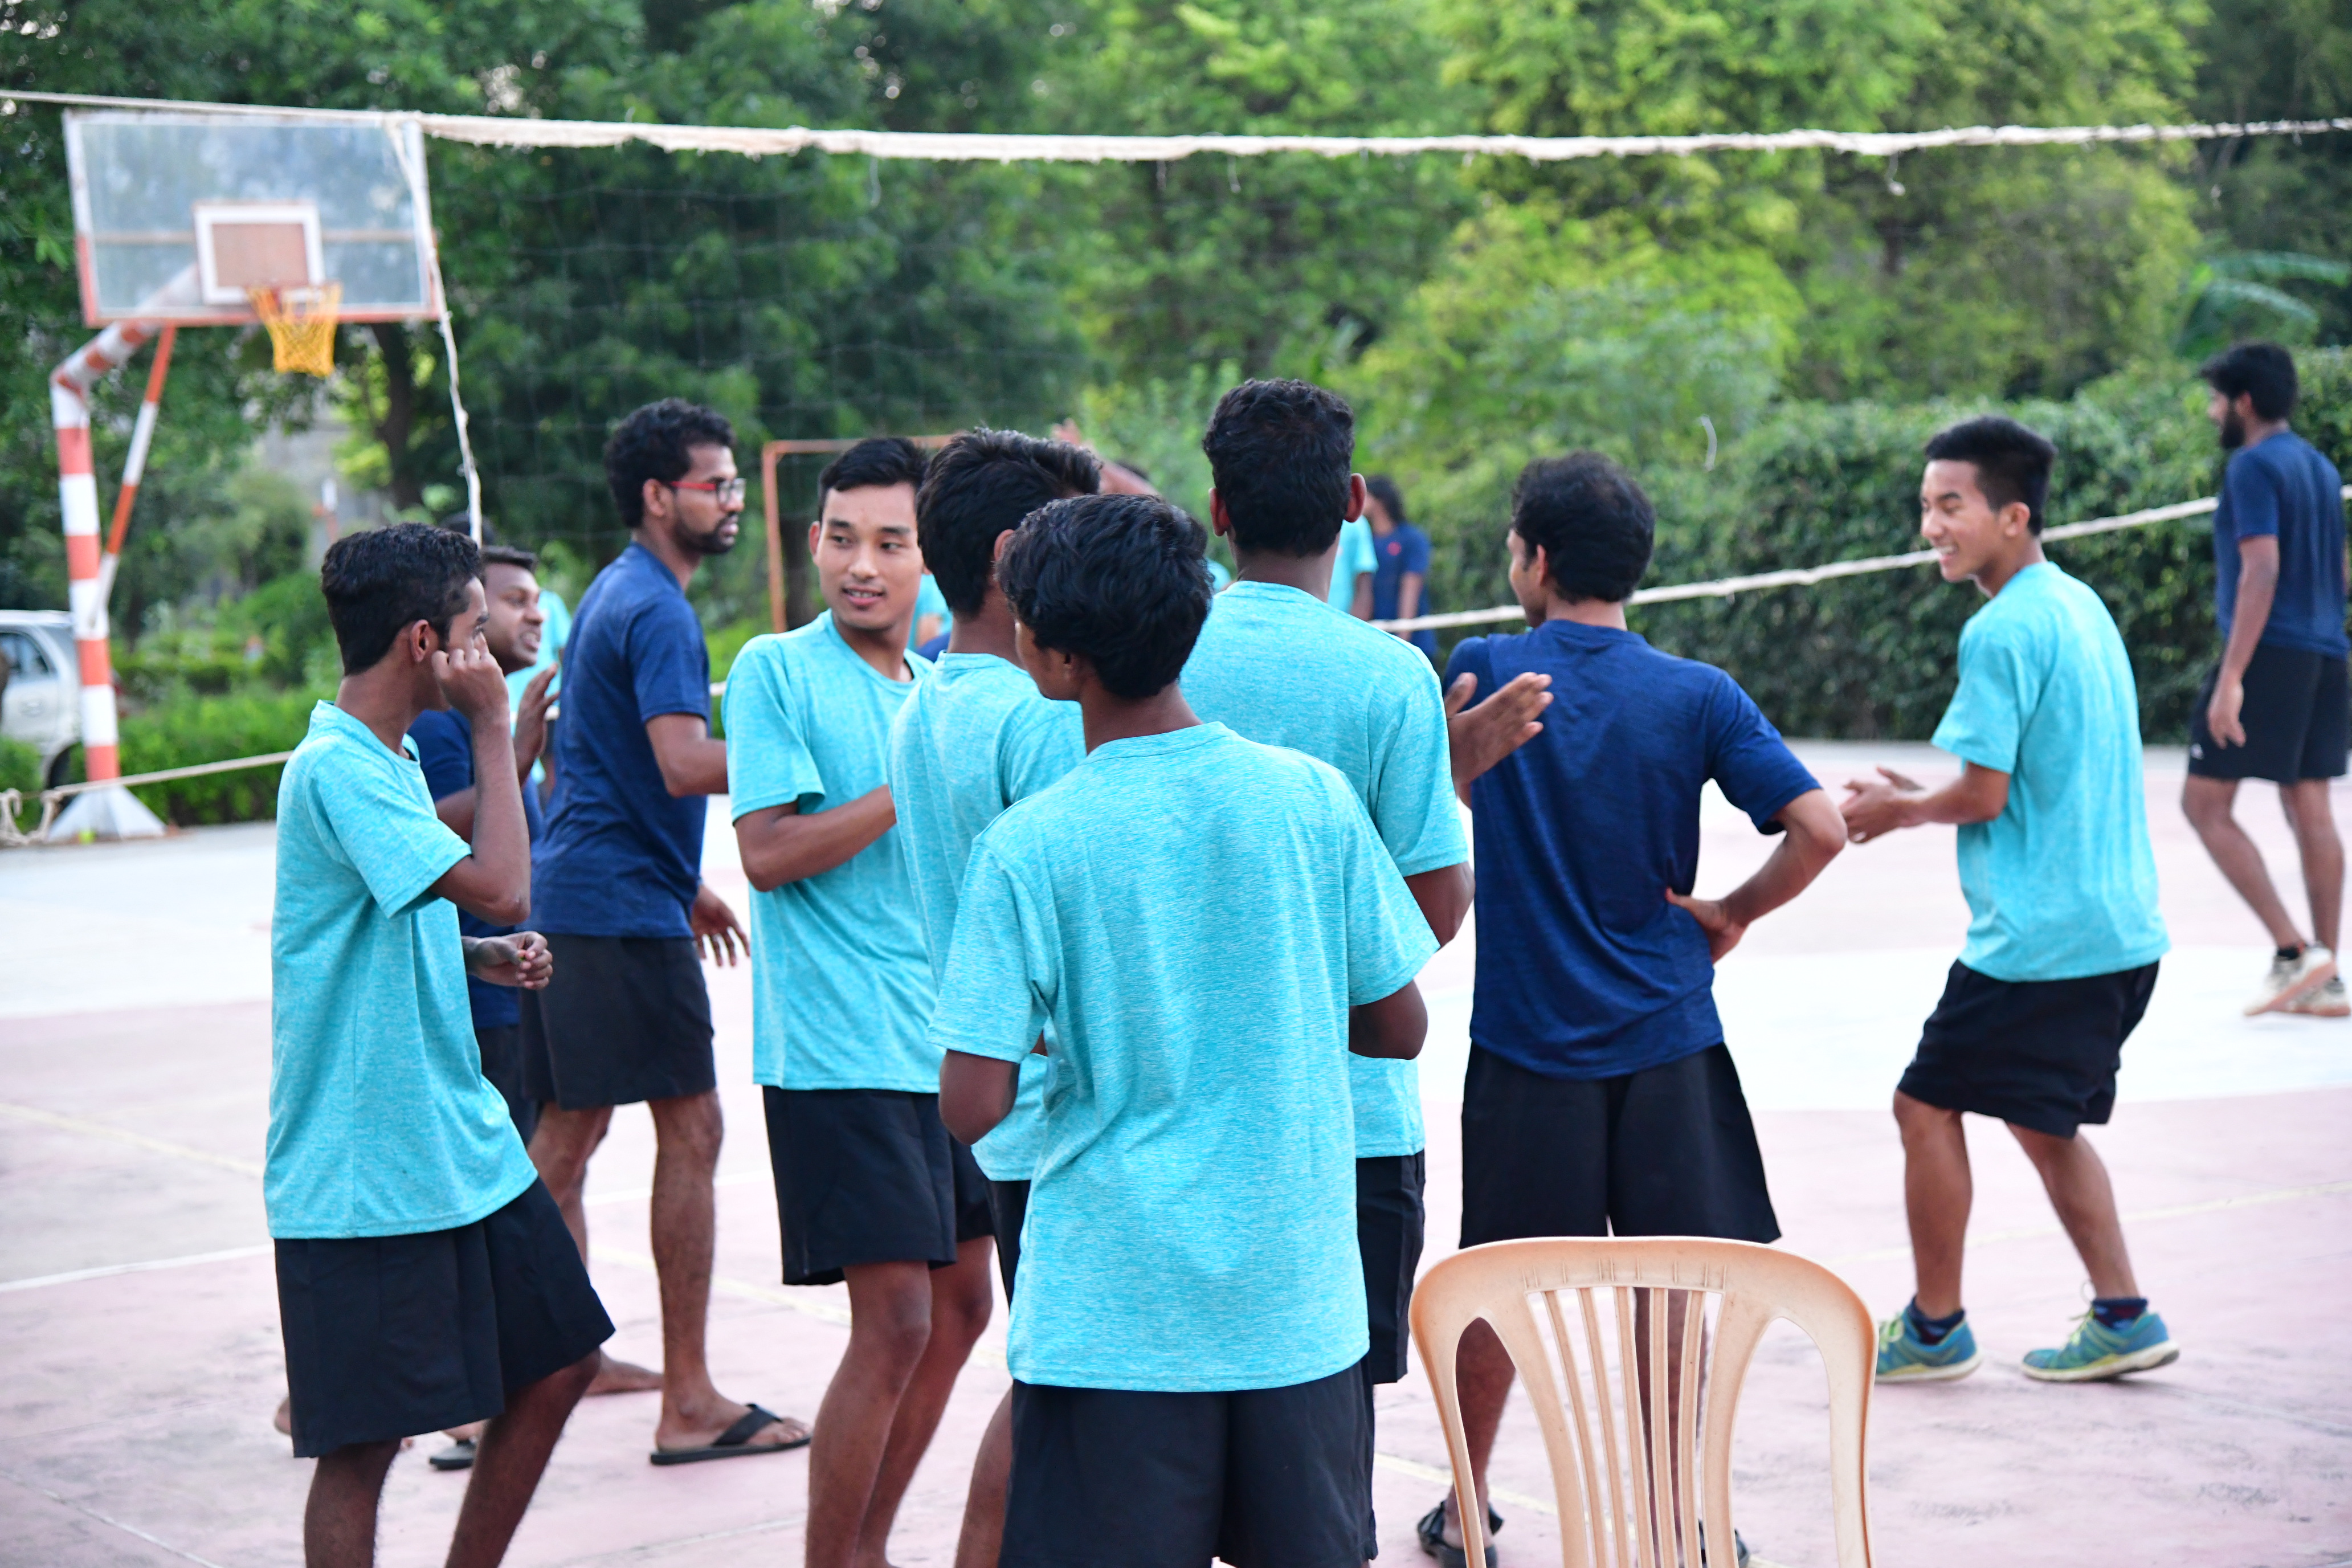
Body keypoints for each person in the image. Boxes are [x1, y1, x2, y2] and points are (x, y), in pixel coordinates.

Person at [934, 492, 1438, 1568]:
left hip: (1113, 1312)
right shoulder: (1310, 800)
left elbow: (971, 1105)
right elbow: (1399, 1025)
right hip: (1293, 1303)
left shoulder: (1029, 845)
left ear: (1055, 656)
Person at [1428, 452, 1845, 1568]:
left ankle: (1465, 1508)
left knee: (1498, 1280)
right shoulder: (1698, 692)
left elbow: (1436, 791)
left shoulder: (1484, 668)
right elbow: (1820, 828)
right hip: (1668, 1036)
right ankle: (1681, 1512)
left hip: (1527, 1042)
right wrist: (1732, 912)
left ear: (1536, 558)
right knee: (1673, 1283)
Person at [1179, 378, 1550, 1562]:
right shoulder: (1386, 675)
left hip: (1179, 1106)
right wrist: (1315, 986)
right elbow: (1439, 901)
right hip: (1348, 1118)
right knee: (1325, 1436)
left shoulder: (1159, 649)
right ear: (1353, 502)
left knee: (1178, 1421)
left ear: (1218, 506)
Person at [271, 522, 607, 1568]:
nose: (487, 650)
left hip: (455, 1147)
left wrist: (472, 956)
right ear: (425, 642)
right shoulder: (338, 768)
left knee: (561, 1361)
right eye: (473, 629)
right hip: (365, 1171)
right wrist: (498, 728)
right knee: (364, 1444)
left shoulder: (393, 755)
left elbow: (370, 924)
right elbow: (506, 882)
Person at [1846, 415, 2178, 1387]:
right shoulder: (2077, 604)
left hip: (2043, 942)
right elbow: (2024, 777)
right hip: (2121, 931)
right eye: (1925, 506)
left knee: (1922, 1105)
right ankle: (2122, 1315)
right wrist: (1925, 794)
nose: (1931, 528)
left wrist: (1901, 810)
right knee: (2040, 1119)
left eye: (1951, 506)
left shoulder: (1999, 629)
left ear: (2013, 515)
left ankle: (1934, 1329)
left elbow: (1985, 796)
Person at [724, 436, 994, 1568]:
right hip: (839, 1047)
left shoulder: (938, 689)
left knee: (966, 1306)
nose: (862, 564)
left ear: (930, 559)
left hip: (945, 1048)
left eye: (890, 541)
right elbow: (768, 851)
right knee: (894, 1319)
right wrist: (908, 782)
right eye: (842, 538)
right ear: (813, 541)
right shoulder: (775, 670)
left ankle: (868, 1544)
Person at [524, 399, 806, 1463]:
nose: (732, 500)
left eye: (734, 484)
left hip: (601, 896)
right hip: (609, 912)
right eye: (714, 484)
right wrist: (824, 760)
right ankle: (685, 1399)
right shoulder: (656, 610)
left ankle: (515, 1365)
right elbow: (684, 763)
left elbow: (594, 765)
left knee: (567, 1141)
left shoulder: (618, 591)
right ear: (658, 496)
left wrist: (680, 882)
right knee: (686, 1132)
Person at [885, 427, 1100, 1568]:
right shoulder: (1038, 717)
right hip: (1065, 1112)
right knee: (1062, 1399)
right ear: (1018, 556)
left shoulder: (927, 702)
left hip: (1003, 1100)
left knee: (1053, 1387)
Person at [410, 539, 561, 1473]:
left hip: (502, 979)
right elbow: (423, 840)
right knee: (477, 1201)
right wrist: (509, 748)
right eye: (507, 604)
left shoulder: (488, 718)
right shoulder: (443, 728)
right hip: (473, 1000)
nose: (530, 615)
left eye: (537, 600)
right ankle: (467, 1395)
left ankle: (512, 1368)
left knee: (529, 1174)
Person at [2179, 342, 2351, 1016]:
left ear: (2244, 403)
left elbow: (2263, 569)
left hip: (2272, 651)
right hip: (2326, 651)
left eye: (2217, 400)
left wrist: (2232, 677)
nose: (2212, 412)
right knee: (2310, 804)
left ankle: (2291, 953)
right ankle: (2326, 973)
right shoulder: (2319, 466)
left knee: (2204, 803)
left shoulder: (2251, 465)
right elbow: (2338, 571)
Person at [1366, 476, 1439, 662]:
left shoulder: (1411, 538)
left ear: (1379, 501)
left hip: (1413, 644)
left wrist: (1402, 642)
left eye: (1366, 496)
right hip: (1376, 641)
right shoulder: (1366, 541)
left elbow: (1411, 587)